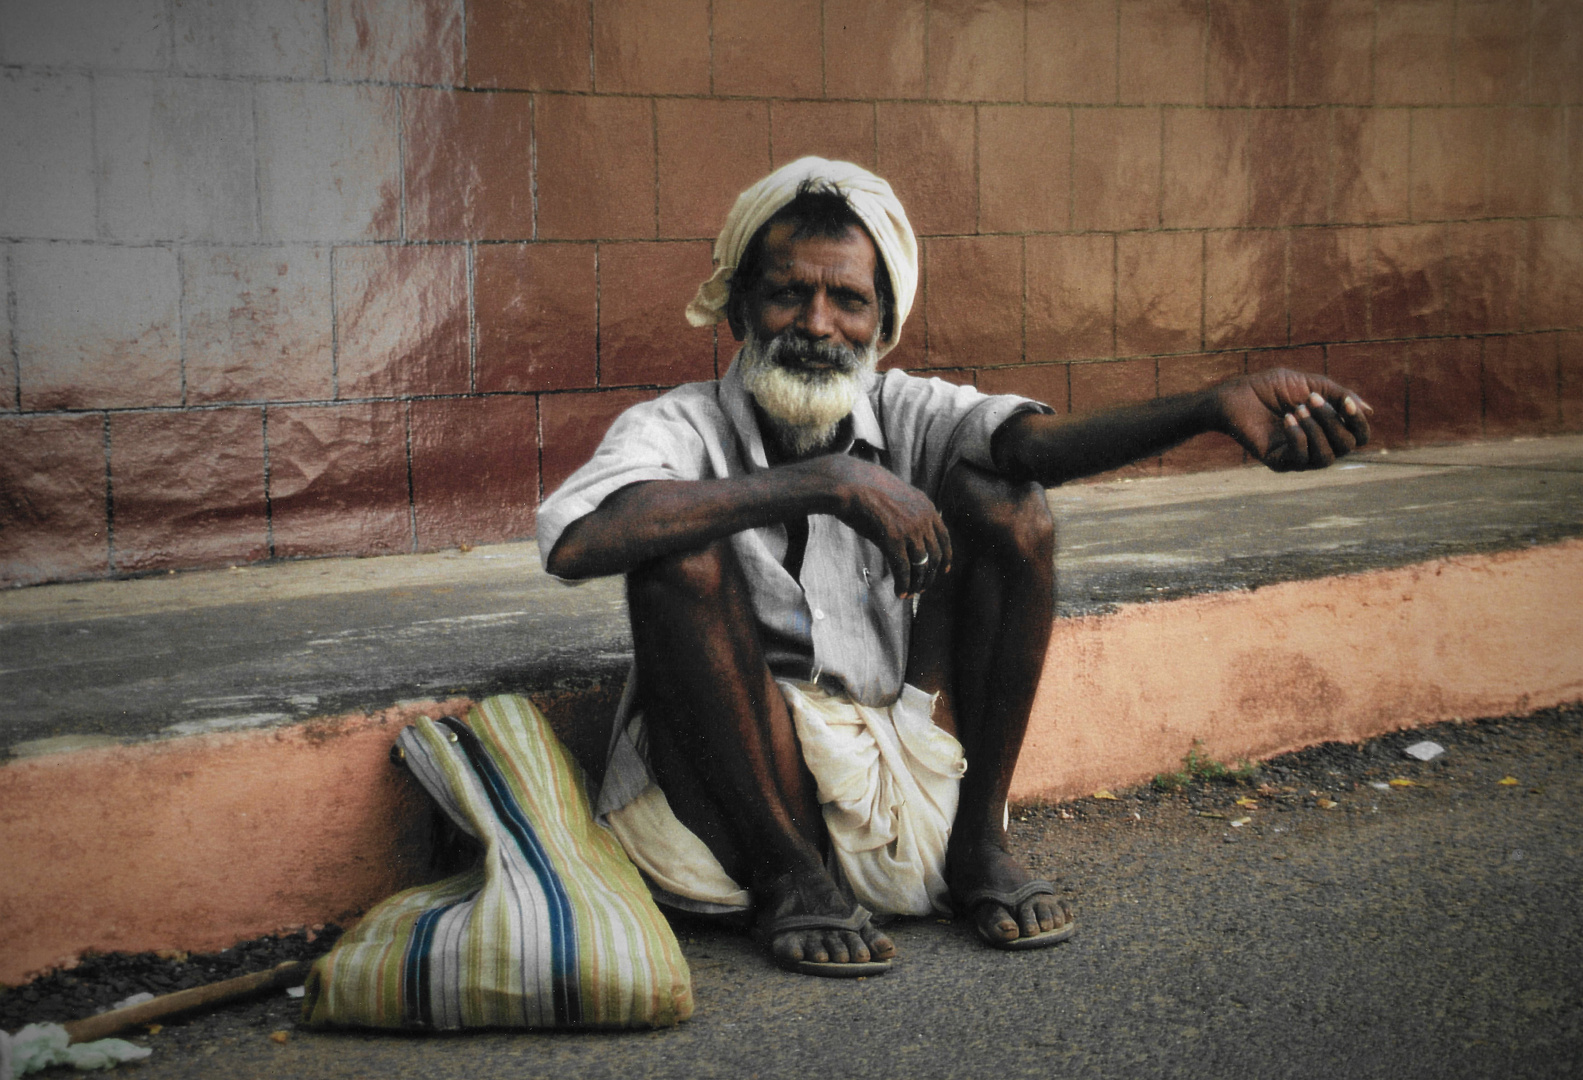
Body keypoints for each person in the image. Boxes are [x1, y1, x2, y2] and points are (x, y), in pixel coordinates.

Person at [537, 158, 1371, 978]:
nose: (817, 325)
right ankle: (792, 881)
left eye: (848, 301)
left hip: (906, 775)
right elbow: (581, 541)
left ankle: (979, 848)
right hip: (740, 806)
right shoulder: (676, 425)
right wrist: (827, 481)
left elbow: (1032, 445)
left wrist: (1210, 408)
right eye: (787, 293)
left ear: (882, 321)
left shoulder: (908, 410)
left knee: (1007, 503)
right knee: (671, 550)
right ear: (738, 310)